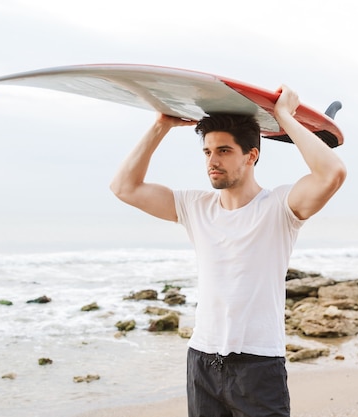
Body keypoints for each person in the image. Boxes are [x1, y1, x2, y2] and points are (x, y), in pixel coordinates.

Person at [110, 85, 346, 417]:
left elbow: (332, 173)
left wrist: (284, 118)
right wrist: (161, 124)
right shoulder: (195, 206)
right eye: (207, 152)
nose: (212, 161)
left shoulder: (280, 206)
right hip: (202, 360)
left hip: (258, 364)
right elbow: (124, 187)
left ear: (251, 155)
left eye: (223, 151)